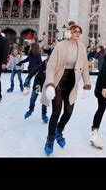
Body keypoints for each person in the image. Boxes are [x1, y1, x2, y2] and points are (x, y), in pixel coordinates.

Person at [40, 22, 91, 156]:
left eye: (79, 32)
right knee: (56, 112)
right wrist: (50, 84)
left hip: (72, 82)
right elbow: (51, 66)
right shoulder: (60, 46)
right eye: (75, 32)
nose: (77, 34)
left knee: (68, 112)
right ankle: (50, 140)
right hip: (58, 80)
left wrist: (87, 84)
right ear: (69, 33)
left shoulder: (82, 47)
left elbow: (85, 66)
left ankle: (59, 130)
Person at [24, 47, 51, 123]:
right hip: (37, 85)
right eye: (47, 62)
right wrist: (28, 78)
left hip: (46, 87)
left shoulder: (52, 69)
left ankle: (44, 115)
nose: (47, 63)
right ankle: (30, 110)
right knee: (32, 99)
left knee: (44, 102)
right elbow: (33, 71)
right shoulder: (41, 65)